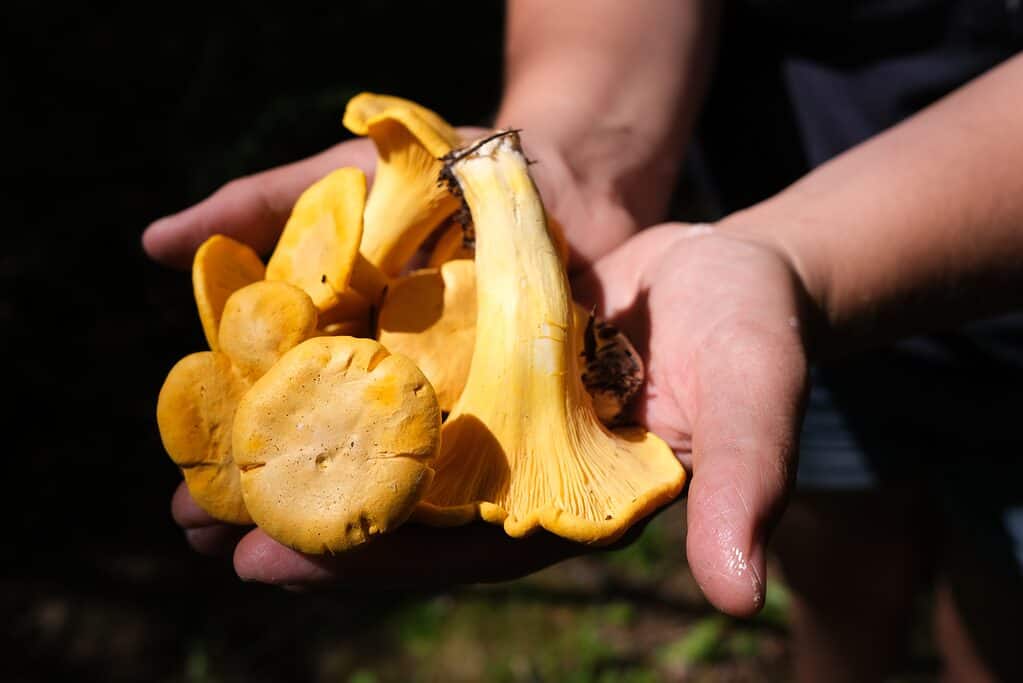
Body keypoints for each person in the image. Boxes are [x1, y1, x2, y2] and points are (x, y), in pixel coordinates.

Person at [143, 2, 1023, 680]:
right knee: (834, 547)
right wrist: (575, 149)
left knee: (1001, 593)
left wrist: (792, 254)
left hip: (994, 313)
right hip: (779, 241)